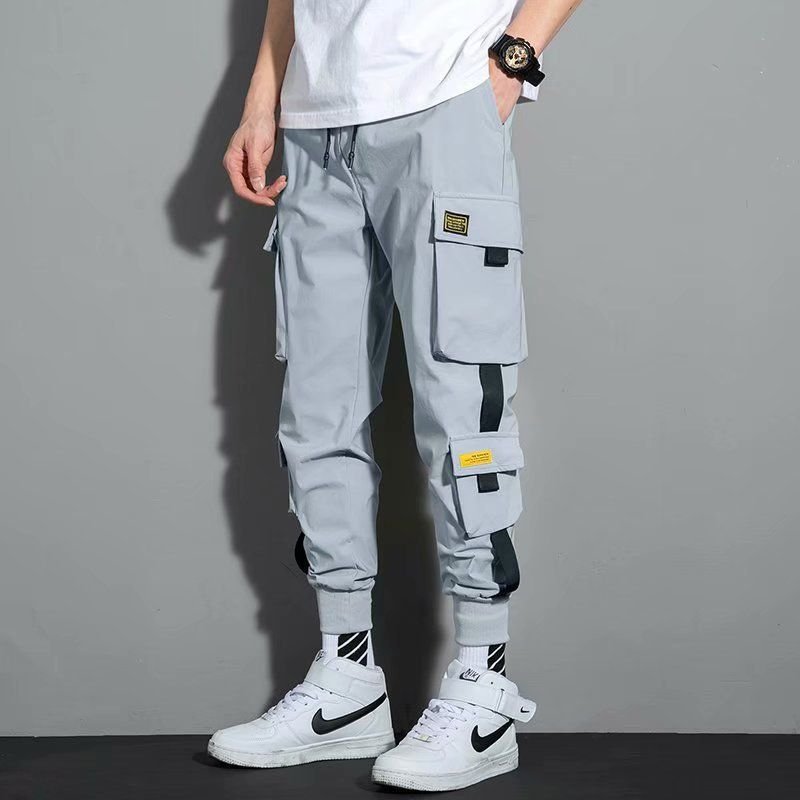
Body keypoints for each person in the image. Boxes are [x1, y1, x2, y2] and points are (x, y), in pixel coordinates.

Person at [208, 0, 582, 790]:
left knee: (462, 406)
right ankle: (348, 680)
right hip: (313, 121)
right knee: (317, 413)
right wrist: (263, 96)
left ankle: (483, 685)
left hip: (442, 98)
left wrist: (512, 62)